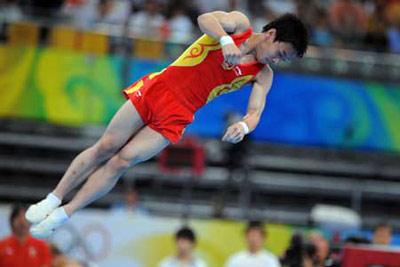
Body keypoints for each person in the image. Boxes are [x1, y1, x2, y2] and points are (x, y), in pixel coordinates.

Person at [26, 11, 308, 238]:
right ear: (270, 34)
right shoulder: (240, 25)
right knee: (107, 146)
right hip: (158, 88)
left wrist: (245, 127)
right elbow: (205, 19)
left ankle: (65, 213)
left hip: (178, 114)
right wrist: (225, 40)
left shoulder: (263, 75)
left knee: (122, 161)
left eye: (283, 60)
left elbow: (255, 112)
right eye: (280, 53)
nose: (277, 61)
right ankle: (53, 198)